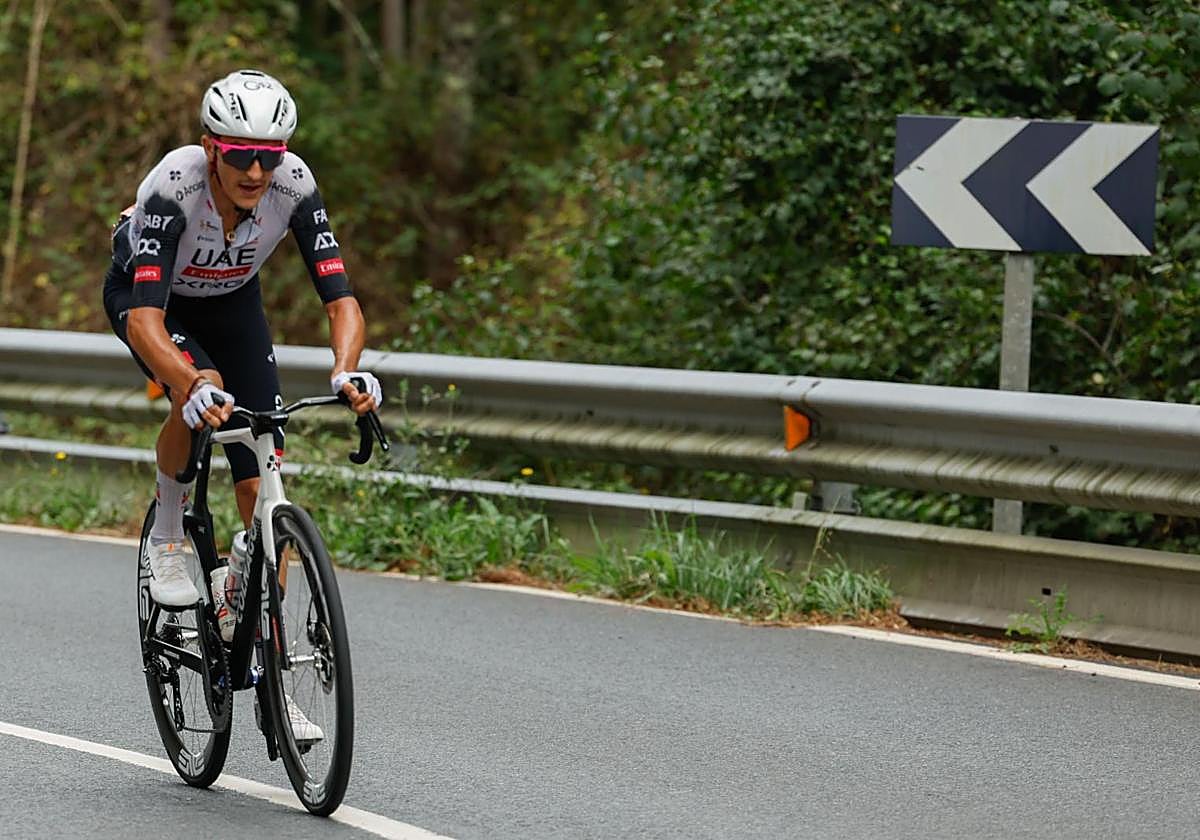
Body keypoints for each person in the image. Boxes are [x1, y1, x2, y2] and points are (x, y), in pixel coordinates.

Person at [102, 69, 382, 739]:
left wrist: (347, 369)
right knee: (199, 388)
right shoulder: (175, 187)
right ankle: (169, 534)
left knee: (263, 479)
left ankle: (262, 659)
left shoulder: (295, 186)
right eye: (239, 155)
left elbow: (341, 301)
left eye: (269, 155)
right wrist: (191, 384)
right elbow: (143, 322)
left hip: (232, 302)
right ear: (210, 149)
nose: (255, 171)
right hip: (153, 303)